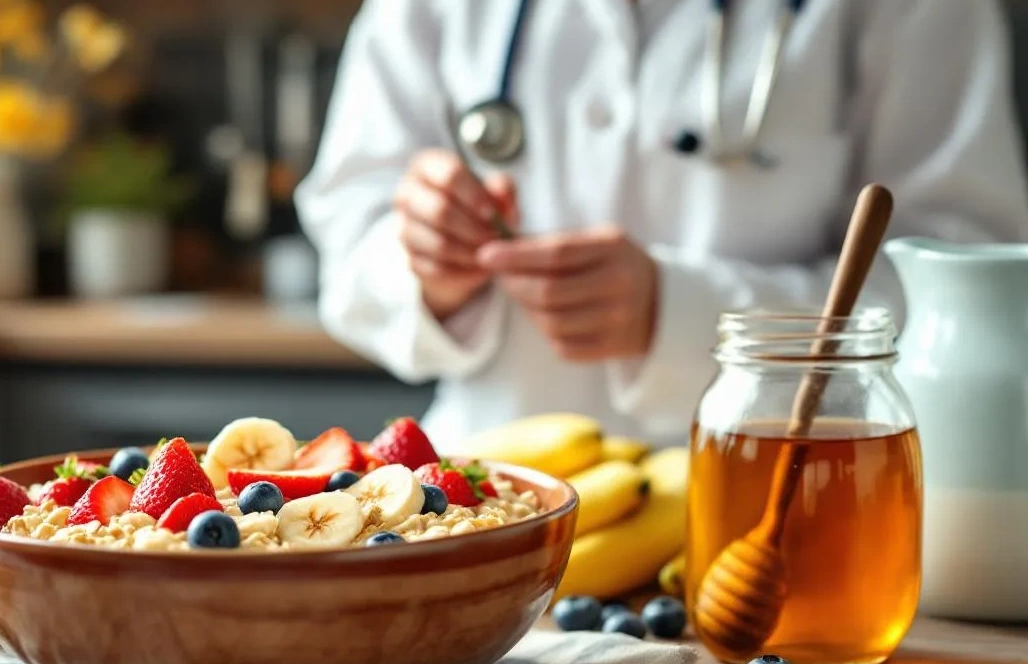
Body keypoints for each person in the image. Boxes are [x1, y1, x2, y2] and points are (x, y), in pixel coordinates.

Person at [293, 0, 1028, 448]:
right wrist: (425, 268)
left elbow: (970, 295)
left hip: (781, 511)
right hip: (483, 507)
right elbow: (350, 236)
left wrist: (682, 317)